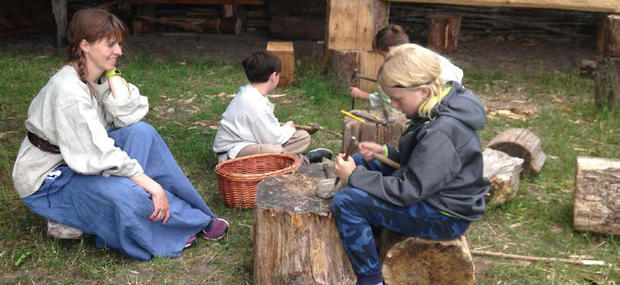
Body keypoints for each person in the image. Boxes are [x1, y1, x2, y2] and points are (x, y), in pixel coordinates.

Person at [12, 8, 228, 261]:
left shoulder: (92, 74)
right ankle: (182, 225)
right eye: (110, 45)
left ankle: (195, 213)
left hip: (80, 156)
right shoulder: (68, 92)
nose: (119, 52)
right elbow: (98, 153)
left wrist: (112, 75)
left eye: (119, 44)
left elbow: (126, 117)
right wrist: (152, 186)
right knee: (122, 193)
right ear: (85, 45)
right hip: (49, 177)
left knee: (142, 133)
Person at [332, 44, 490, 285]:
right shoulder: (439, 106)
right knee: (361, 160)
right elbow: (425, 165)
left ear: (424, 91)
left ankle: (370, 278)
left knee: (347, 201)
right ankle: (372, 236)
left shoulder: (442, 131)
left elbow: (410, 190)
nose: (393, 105)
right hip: (431, 193)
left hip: (443, 215)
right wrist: (385, 152)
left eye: (397, 99)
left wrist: (355, 177)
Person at [212, 50, 332, 163]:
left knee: (303, 137)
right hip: (233, 153)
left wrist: (286, 130)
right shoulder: (253, 103)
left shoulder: (252, 93)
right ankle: (302, 161)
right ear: (273, 76)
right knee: (274, 151)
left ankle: (286, 158)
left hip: (254, 142)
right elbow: (272, 139)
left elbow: (268, 132)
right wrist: (287, 128)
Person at [350, 24, 464, 113]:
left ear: (391, 49)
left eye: (383, 55)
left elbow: (393, 99)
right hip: (453, 99)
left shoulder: (410, 64)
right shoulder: (420, 54)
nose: (385, 60)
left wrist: (364, 95)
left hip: (441, 105)